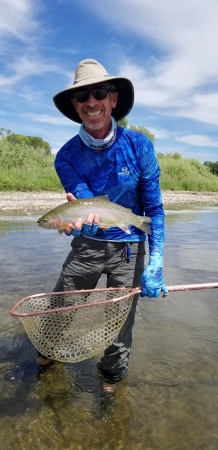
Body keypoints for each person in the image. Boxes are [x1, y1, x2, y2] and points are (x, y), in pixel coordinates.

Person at [37, 59, 168, 387]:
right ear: (75, 106)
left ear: (113, 99)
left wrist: (157, 259)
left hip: (130, 247)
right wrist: (85, 224)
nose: (91, 102)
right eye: (83, 97)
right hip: (87, 246)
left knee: (120, 322)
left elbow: (154, 209)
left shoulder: (139, 146)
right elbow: (84, 201)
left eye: (99, 93)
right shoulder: (66, 156)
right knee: (61, 307)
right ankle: (47, 358)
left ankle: (111, 381)